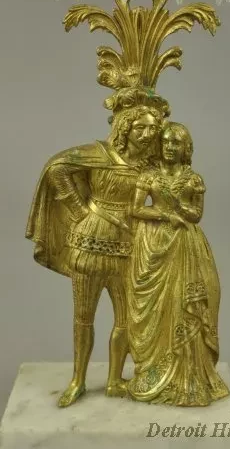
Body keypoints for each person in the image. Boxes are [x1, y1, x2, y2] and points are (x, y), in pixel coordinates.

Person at [26, 88, 167, 407]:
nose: (146, 135)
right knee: (83, 317)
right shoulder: (99, 154)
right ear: (125, 128)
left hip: (130, 245)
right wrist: (79, 211)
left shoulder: (150, 168)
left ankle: (115, 380)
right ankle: (78, 380)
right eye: (140, 127)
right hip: (90, 242)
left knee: (127, 319)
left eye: (152, 129)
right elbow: (57, 168)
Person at [127, 121, 230, 406]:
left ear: (186, 149)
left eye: (176, 143)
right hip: (153, 244)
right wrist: (165, 214)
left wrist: (182, 208)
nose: (169, 147)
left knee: (184, 302)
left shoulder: (193, 179)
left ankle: (188, 377)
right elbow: (135, 208)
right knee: (155, 306)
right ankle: (154, 370)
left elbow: (196, 214)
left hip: (185, 244)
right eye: (166, 142)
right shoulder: (148, 175)